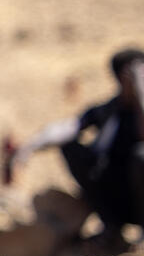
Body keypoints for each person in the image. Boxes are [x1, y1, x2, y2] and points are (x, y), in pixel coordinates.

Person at [8, 48, 144, 241]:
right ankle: (111, 227)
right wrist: (29, 147)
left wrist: (140, 93)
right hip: (118, 194)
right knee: (70, 146)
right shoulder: (109, 110)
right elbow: (69, 127)